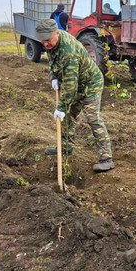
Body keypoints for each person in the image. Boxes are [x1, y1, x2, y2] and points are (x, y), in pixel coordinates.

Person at [36, 19, 114, 172]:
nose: (45, 44)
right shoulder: (51, 43)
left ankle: (106, 159)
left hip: (90, 84)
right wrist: (54, 77)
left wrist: (61, 107)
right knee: (68, 116)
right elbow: (53, 62)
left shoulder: (68, 51)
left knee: (92, 118)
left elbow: (71, 86)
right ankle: (65, 148)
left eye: (48, 40)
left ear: (56, 33)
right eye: (43, 41)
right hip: (77, 83)